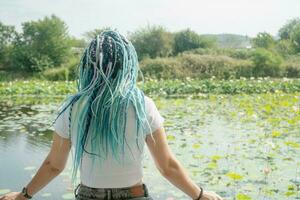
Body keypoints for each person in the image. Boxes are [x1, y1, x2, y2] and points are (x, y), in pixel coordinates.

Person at [0, 30, 223, 200]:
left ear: (88, 65)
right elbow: (166, 166)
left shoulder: (72, 109)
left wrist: (23, 195)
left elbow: (54, 165)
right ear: (127, 64)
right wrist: (200, 195)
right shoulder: (141, 105)